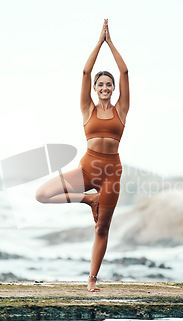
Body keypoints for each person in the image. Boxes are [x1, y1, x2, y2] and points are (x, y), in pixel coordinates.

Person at [35, 19, 129, 292]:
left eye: (108, 84)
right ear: (95, 88)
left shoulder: (120, 110)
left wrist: (111, 43)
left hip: (111, 173)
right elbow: (86, 71)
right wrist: (98, 42)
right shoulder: (86, 107)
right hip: (87, 170)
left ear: (113, 89)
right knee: (41, 195)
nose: (104, 87)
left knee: (102, 228)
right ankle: (88, 199)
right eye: (100, 84)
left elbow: (124, 71)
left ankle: (91, 279)